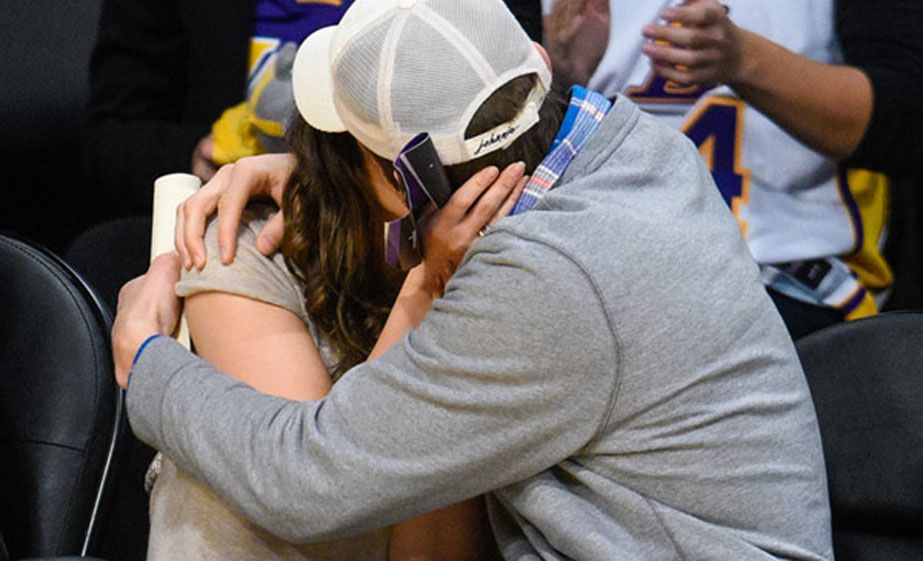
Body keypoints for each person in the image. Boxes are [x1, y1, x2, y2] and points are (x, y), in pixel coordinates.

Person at [113, 0, 833, 559]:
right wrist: (322, 184)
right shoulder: (637, 147)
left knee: (212, 477)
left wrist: (146, 359)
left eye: (348, 153)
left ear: (412, 182)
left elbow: (305, 481)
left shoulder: (539, 278)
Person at [542, 0, 915, 340]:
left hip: (785, 273)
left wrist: (742, 59)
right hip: (599, 265)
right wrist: (559, 74)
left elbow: (906, 120)